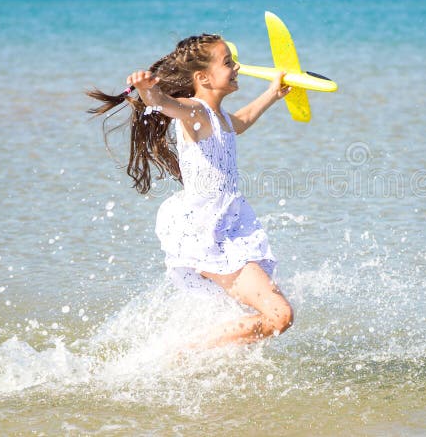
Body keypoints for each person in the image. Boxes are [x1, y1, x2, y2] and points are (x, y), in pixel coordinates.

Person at [88, 34, 294, 348]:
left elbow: (243, 119)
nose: (236, 67)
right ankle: (188, 351)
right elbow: (164, 104)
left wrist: (272, 94)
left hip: (229, 227)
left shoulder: (221, 117)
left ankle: (208, 357)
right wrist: (147, 90)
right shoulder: (196, 112)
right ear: (202, 78)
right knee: (279, 315)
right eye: (228, 62)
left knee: (276, 315)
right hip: (208, 232)